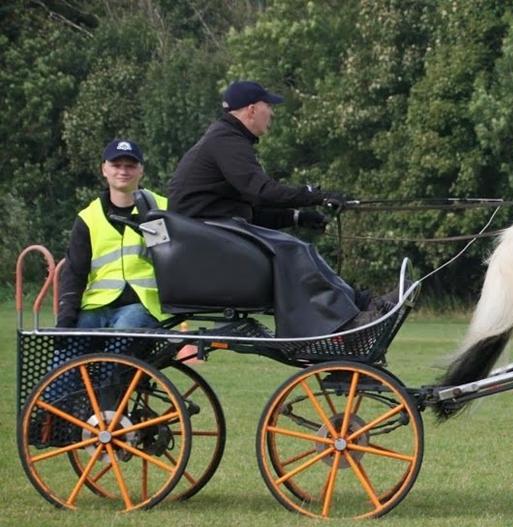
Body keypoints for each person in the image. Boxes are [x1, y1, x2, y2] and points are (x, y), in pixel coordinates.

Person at [168, 79, 390, 338]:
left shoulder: (227, 139)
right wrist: (315, 196)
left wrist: (297, 217)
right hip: (204, 238)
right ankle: (350, 315)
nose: (271, 113)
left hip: (212, 232)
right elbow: (262, 191)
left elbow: (249, 210)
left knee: (295, 247)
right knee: (293, 250)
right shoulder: (226, 140)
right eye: (268, 106)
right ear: (251, 109)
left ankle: (355, 303)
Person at [56, 139, 167, 329]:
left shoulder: (157, 209)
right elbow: (74, 273)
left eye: (130, 166)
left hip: (144, 305)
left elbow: (167, 260)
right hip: (97, 305)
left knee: (121, 336)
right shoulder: (88, 217)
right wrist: (66, 317)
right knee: (70, 351)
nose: (123, 171)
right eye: (116, 165)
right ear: (104, 169)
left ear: (141, 170)